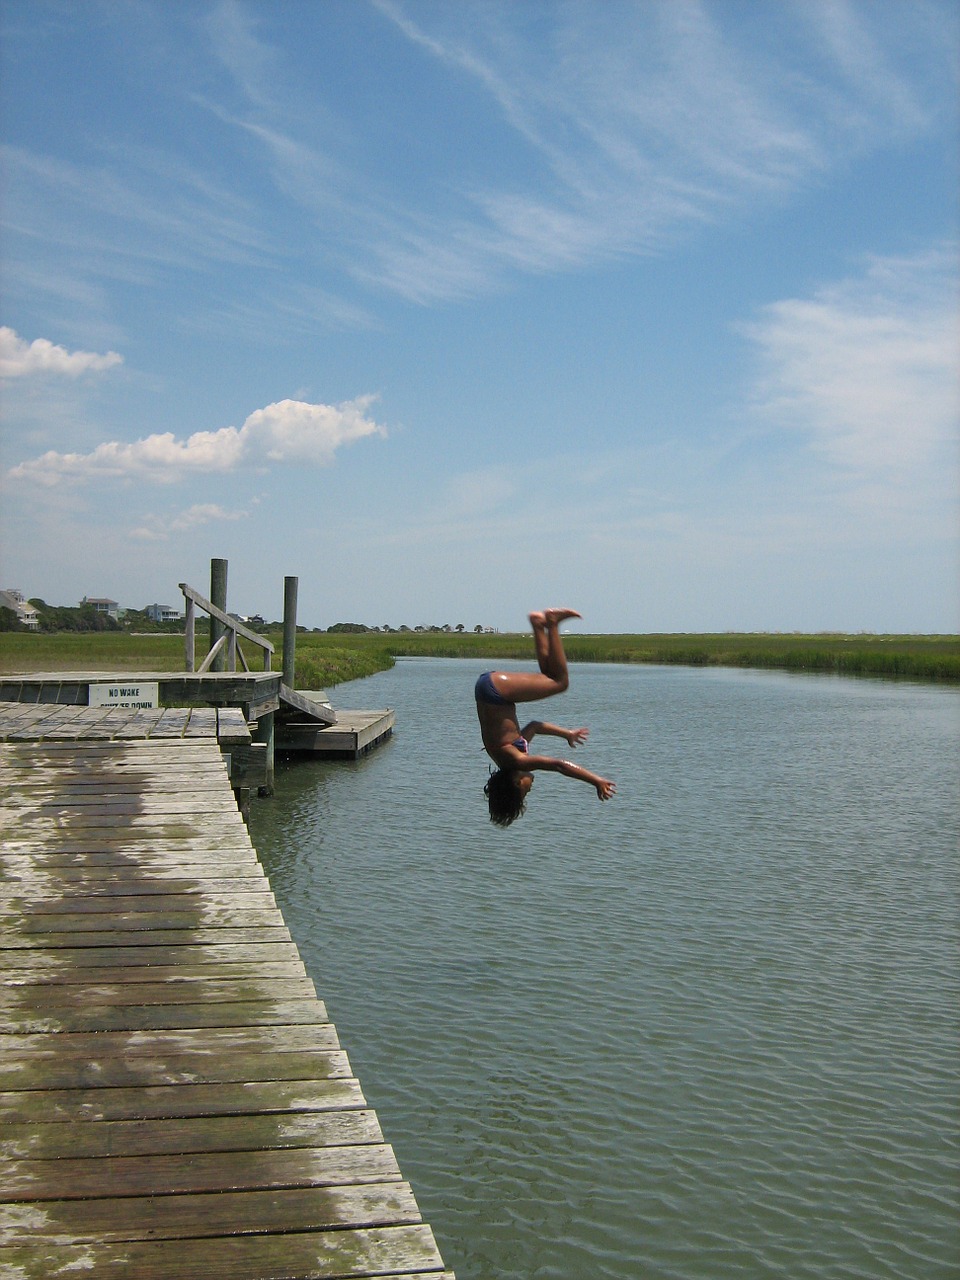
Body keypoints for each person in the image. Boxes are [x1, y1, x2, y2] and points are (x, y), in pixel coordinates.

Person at [475, 608, 616, 826]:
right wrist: (567, 734)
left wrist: (596, 781)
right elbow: (535, 726)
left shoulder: (517, 761)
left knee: (560, 683)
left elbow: (559, 765)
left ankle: (552, 623)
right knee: (549, 678)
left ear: (516, 784)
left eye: (524, 794)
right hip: (489, 688)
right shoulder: (512, 756)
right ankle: (539, 624)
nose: (530, 790)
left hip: (496, 692)